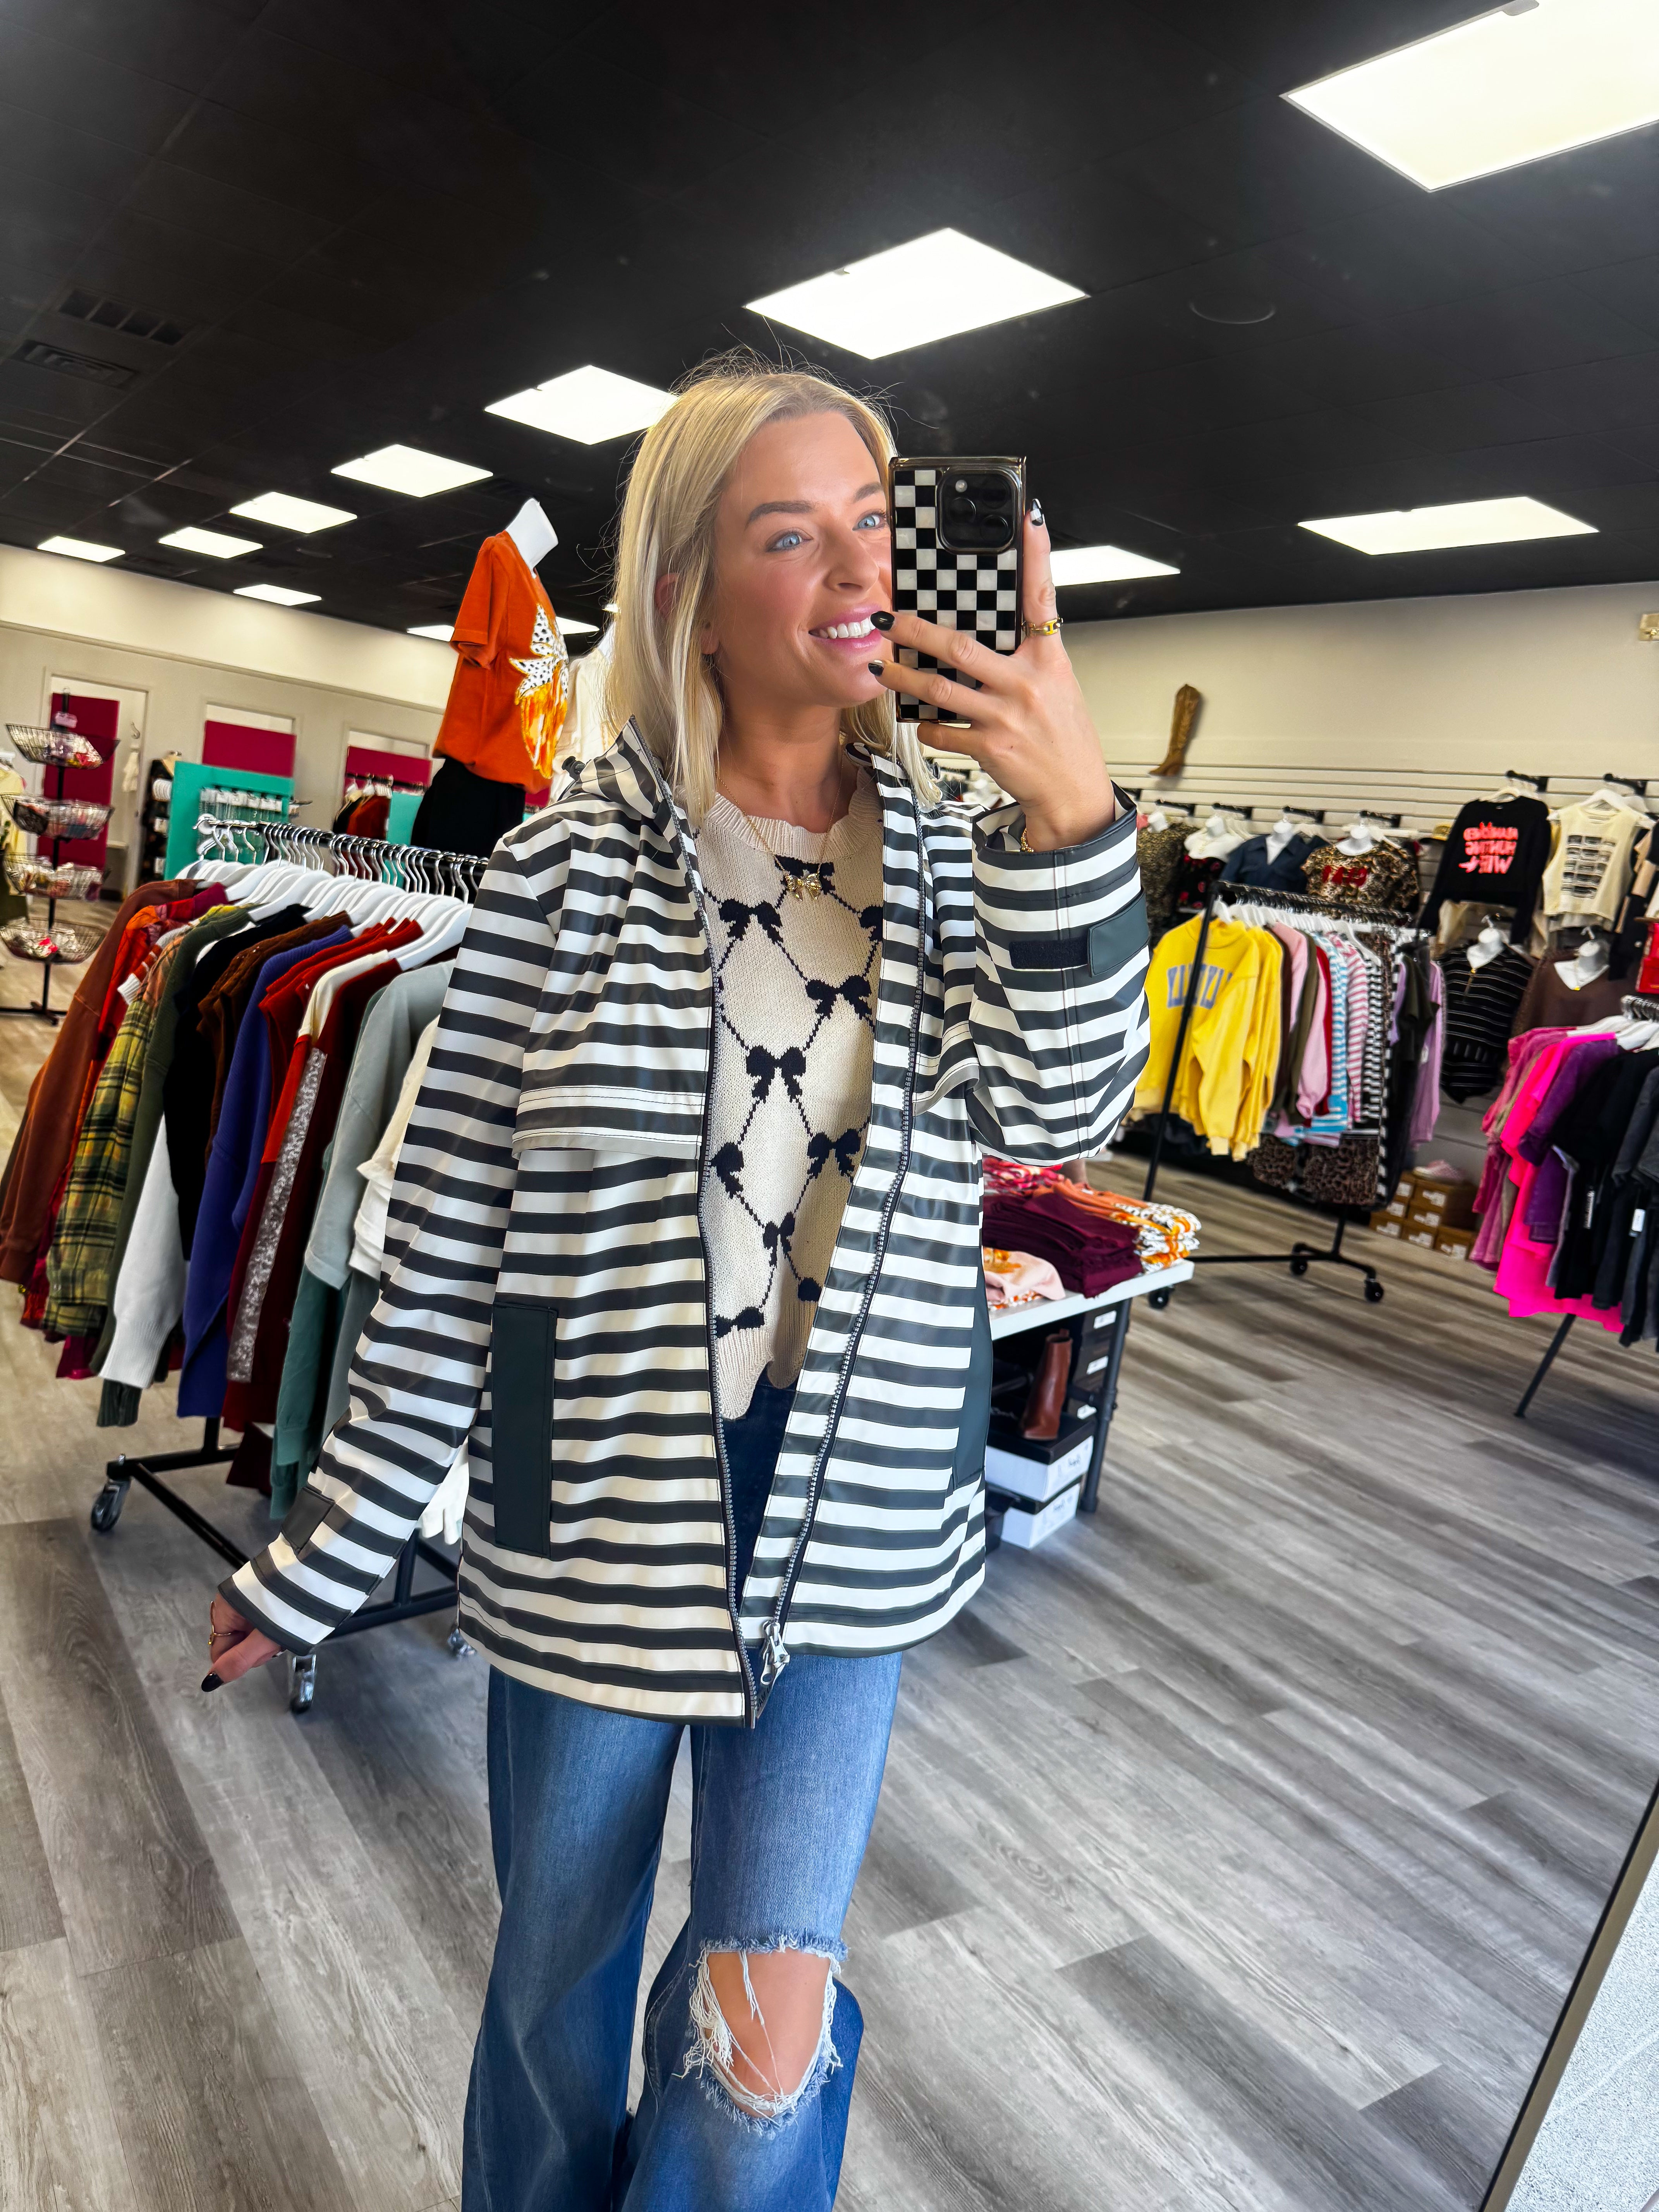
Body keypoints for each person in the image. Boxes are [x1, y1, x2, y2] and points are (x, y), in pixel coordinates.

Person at [203, 358, 1149, 2210]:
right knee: (554, 1987)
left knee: (767, 2032)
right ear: (691, 598)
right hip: (594, 1509)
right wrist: (327, 1553)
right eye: (791, 535)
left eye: (875, 522)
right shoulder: (561, 870)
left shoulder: (961, 870)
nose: (858, 569)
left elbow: (1064, 1111)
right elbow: (449, 1249)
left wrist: (1072, 816)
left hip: (856, 1518)